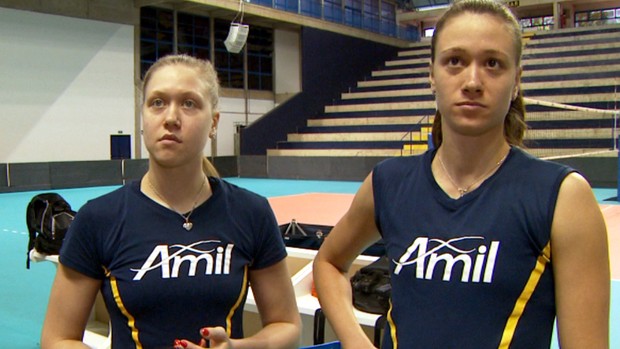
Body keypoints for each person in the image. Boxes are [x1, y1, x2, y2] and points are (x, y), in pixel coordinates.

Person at [312, 0, 610, 348]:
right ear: (432, 75)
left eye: (492, 64)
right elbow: (329, 262)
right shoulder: (389, 183)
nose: (472, 81)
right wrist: (354, 341)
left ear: (516, 81)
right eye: (455, 61)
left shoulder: (560, 197)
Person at [41, 54, 301, 349]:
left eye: (189, 103)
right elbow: (57, 339)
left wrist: (237, 348)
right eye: (157, 102)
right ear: (143, 117)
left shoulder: (251, 212)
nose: (171, 118)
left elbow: (287, 325)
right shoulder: (98, 218)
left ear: (214, 123)